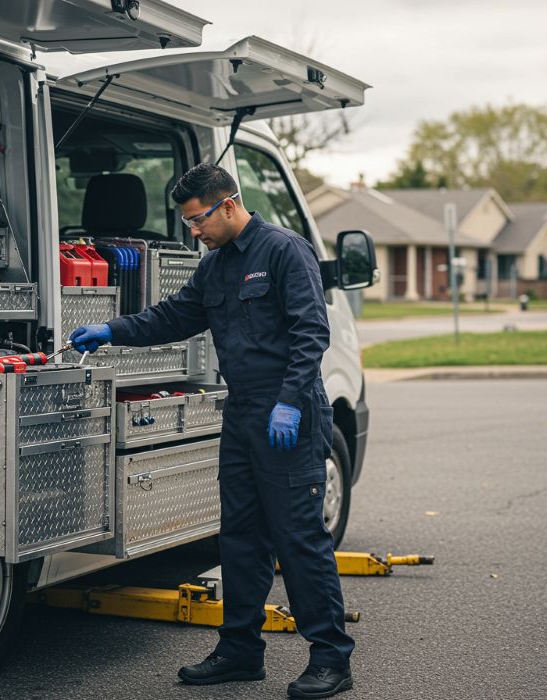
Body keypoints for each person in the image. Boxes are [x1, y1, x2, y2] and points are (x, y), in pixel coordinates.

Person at [70, 163, 355, 698]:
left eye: (198, 220)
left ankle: (331, 659)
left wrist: (290, 403)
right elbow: (173, 317)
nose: (193, 231)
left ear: (228, 205)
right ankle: (241, 651)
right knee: (240, 538)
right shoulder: (216, 266)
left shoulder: (284, 251)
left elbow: (311, 333)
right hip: (245, 413)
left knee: (299, 540)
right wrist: (112, 330)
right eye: (187, 223)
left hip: (288, 416)